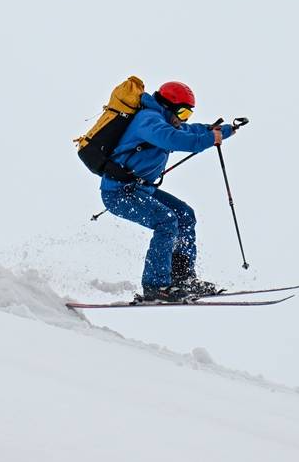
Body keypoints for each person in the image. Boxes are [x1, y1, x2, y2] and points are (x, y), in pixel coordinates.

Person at [101, 81, 238, 301]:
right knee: (166, 221)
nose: (184, 118)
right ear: (168, 106)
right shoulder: (148, 121)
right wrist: (208, 139)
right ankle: (156, 286)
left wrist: (226, 130)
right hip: (118, 193)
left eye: (188, 114)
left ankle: (182, 278)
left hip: (140, 190)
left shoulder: (165, 121)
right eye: (182, 112)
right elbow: (175, 139)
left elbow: (191, 130)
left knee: (184, 214)